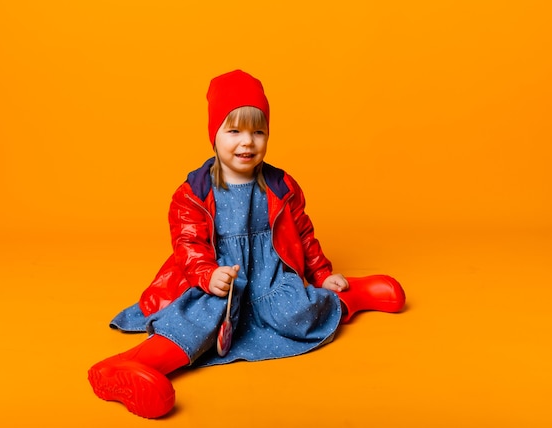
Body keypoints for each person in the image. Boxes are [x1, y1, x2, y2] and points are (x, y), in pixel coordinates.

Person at [87, 69, 406, 419]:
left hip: (268, 279)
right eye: (234, 131)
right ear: (214, 135)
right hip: (219, 282)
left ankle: (350, 296)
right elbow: (188, 245)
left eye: (258, 132)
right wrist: (208, 276)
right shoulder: (194, 193)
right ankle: (130, 367)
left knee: (296, 312)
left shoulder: (280, 185)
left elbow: (302, 233)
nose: (247, 142)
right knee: (199, 321)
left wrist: (322, 273)